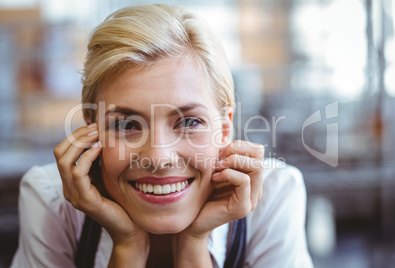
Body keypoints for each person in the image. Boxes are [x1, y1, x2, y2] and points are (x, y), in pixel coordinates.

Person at [11, 4, 313, 268]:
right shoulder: (51, 201)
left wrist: (194, 244)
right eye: (127, 125)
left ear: (223, 129)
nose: (158, 158)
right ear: (92, 131)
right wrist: (127, 247)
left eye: (190, 122)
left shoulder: (274, 197)